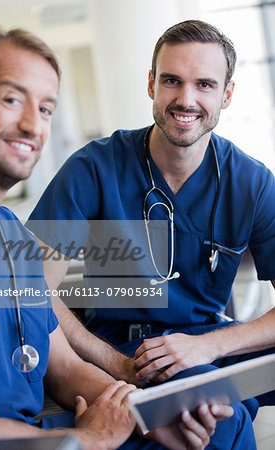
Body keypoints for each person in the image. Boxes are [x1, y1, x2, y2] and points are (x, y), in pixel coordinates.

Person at [0, 23, 234, 450]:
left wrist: (146, 411)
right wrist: (88, 438)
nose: (31, 124)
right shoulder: (97, 166)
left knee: (211, 425)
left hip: (43, 431)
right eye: (11, 99)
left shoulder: (7, 236)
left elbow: (60, 366)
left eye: (44, 109)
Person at [27, 20, 275, 448]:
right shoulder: (93, 168)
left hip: (204, 341)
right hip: (117, 347)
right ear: (151, 84)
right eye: (172, 81)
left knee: (213, 405)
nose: (186, 99)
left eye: (205, 84)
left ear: (226, 95)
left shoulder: (251, 182)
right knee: (217, 418)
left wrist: (208, 348)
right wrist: (115, 363)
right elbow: (29, 288)